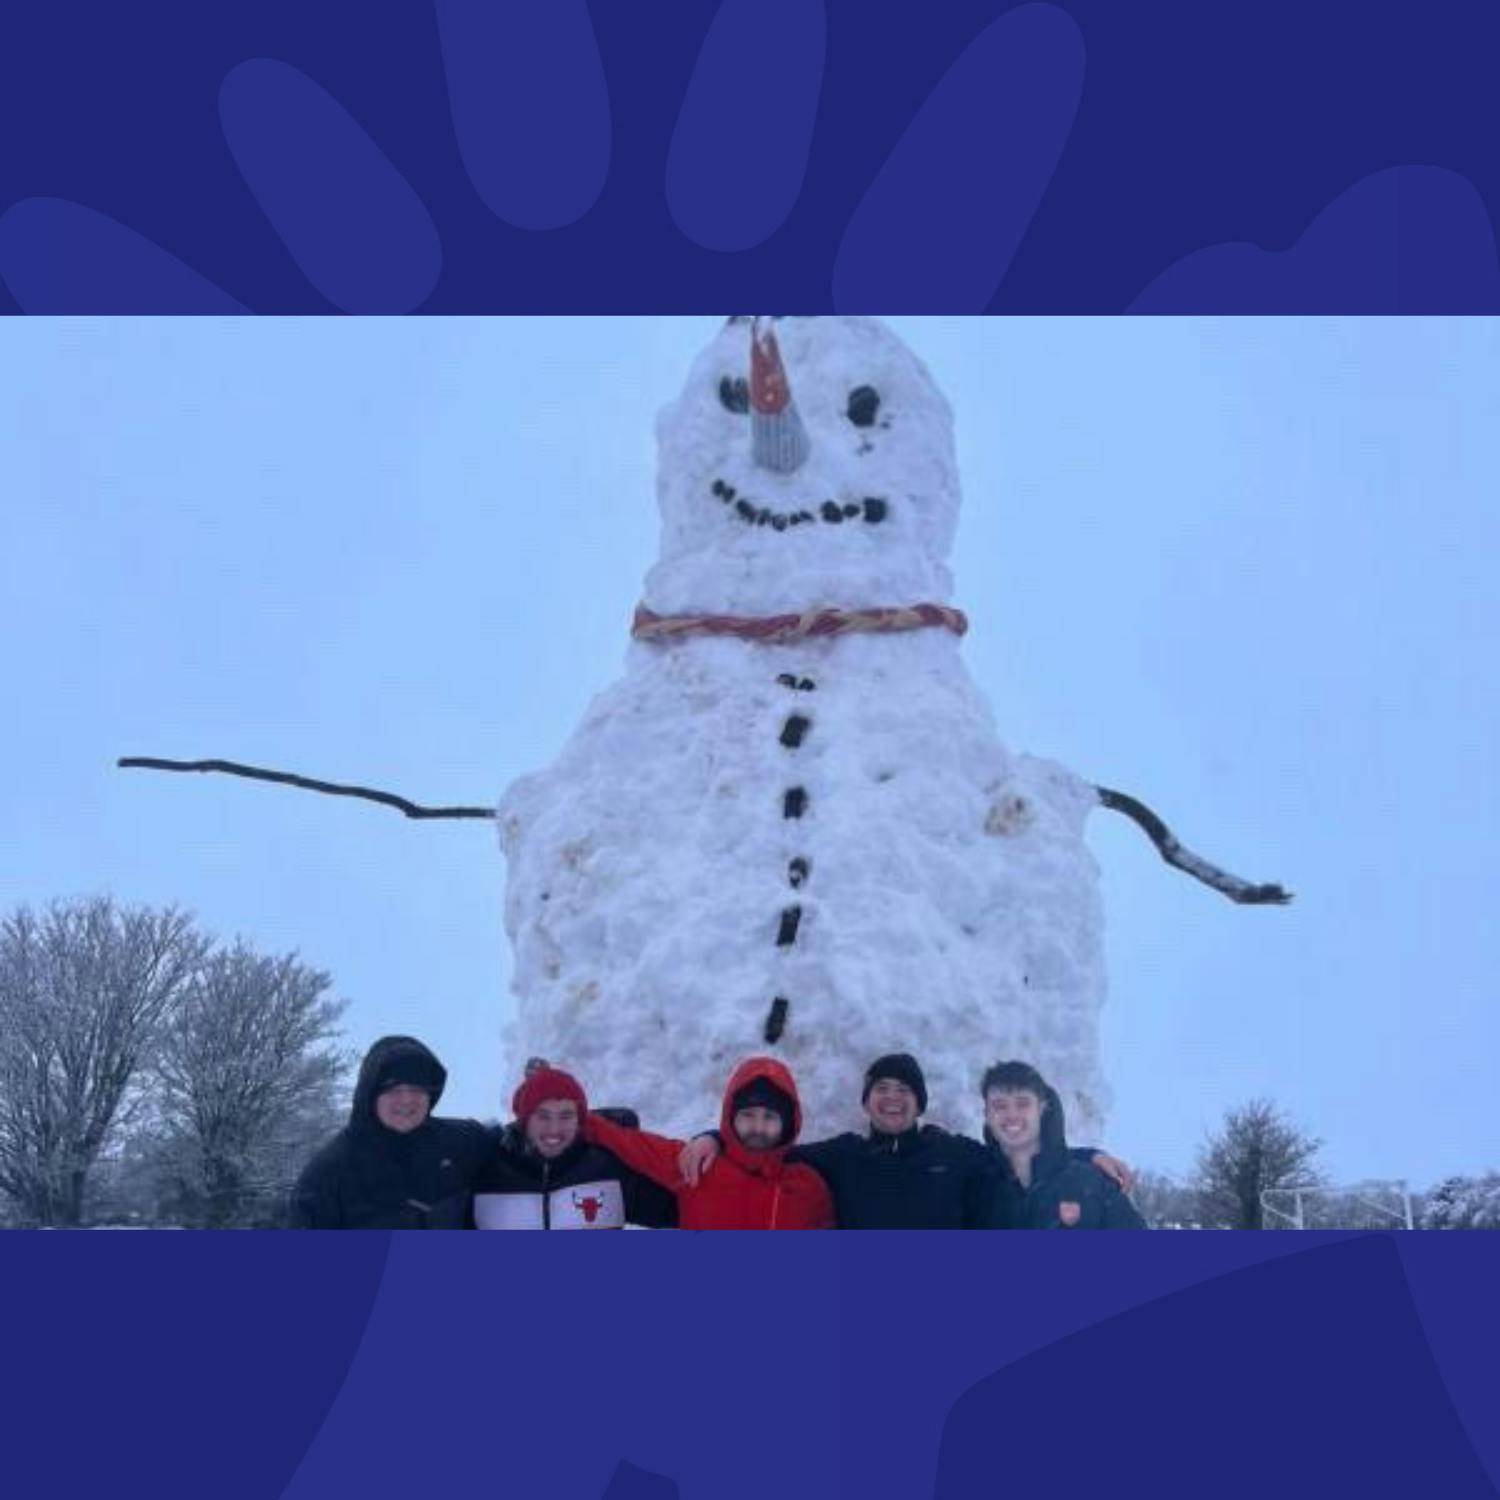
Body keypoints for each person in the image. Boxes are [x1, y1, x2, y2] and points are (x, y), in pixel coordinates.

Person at [683, 1052, 1132, 1230]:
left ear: (919, 1104)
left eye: (903, 1090)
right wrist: (714, 1140)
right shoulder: (842, 1156)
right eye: (882, 1089)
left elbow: (1018, 1155)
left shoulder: (953, 1154)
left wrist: (1087, 1155)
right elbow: (764, 1153)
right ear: (867, 1102)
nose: (892, 1098)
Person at [581, 1056, 834, 1229]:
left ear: (788, 1123)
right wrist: (576, 1120)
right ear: (730, 1117)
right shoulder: (698, 1165)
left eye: (769, 1117)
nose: (758, 1127)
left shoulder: (807, 1187)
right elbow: (633, 1145)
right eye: (747, 1115)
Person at [289, 1035, 493, 1229]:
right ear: (371, 1094)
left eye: (417, 1089)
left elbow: (518, 1147)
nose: (406, 1099)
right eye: (394, 1089)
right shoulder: (328, 1174)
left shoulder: (464, 1143)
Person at [469, 1065, 677, 1229]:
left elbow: (690, 1205)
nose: (555, 1129)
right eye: (543, 1116)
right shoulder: (486, 1171)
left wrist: (710, 1138)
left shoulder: (606, 1168)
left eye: (566, 1116)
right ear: (524, 1120)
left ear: (580, 1120)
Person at [981, 1060, 1146, 1230]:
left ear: (1042, 1108)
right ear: (986, 1113)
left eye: (1023, 1103)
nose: (1011, 1115)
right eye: (1000, 1106)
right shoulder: (970, 1180)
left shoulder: (1091, 1184)